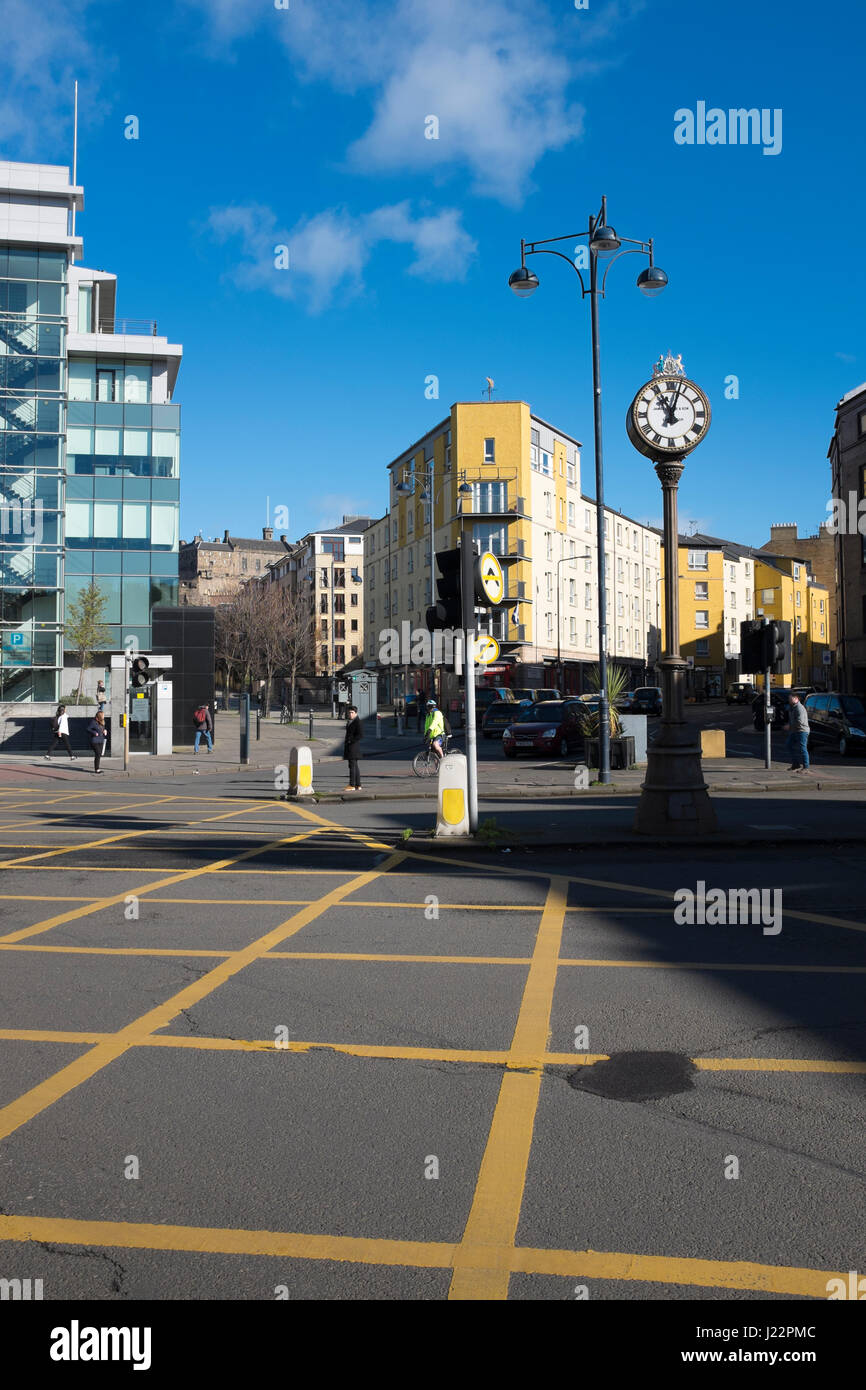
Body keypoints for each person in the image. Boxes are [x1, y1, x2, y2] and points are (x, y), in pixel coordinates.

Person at [786, 693, 810, 773]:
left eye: (791, 699)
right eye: (789, 699)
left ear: (796, 699)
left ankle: (806, 767)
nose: (789, 700)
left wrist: (789, 726)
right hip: (795, 730)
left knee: (802, 748)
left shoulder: (799, 708)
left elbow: (800, 721)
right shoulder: (792, 708)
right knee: (789, 745)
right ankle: (796, 764)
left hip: (802, 730)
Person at [343, 704, 362, 791]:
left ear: (356, 713)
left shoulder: (357, 721)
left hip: (353, 747)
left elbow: (360, 735)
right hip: (352, 747)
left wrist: (351, 740)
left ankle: (352, 785)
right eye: (349, 712)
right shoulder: (351, 720)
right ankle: (358, 785)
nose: (350, 714)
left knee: (352, 766)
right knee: (355, 766)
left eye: (352, 712)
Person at [423, 698, 446, 763]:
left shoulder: (437, 713)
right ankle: (437, 770)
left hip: (439, 735)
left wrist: (429, 730)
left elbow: (435, 722)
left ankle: (443, 759)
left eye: (429, 706)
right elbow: (426, 726)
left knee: (435, 745)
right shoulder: (428, 715)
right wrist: (425, 735)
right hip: (431, 736)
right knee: (434, 754)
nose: (428, 708)